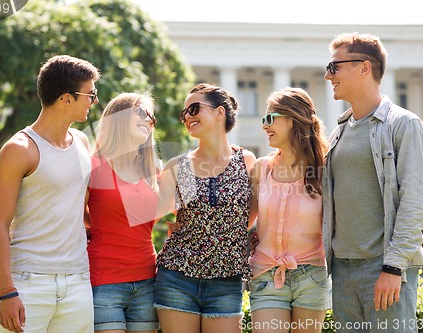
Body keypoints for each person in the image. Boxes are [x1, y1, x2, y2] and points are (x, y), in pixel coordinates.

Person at [323, 32, 423, 332]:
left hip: (384, 267)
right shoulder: (338, 134)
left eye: (334, 67)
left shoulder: (404, 124)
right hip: (342, 272)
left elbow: (416, 200)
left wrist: (393, 266)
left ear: (364, 67)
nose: (327, 75)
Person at [0, 55, 100, 333]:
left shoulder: (83, 142)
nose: (94, 101)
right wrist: (7, 292)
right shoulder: (19, 149)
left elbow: (80, 207)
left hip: (77, 281)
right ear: (66, 99)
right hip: (27, 283)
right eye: (90, 94)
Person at [154, 83, 256, 333]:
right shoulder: (177, 166)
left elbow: (251, 213)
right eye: (184, 113)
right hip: (177, 277)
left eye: (195, 108)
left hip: (226, 281)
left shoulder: (247, 161)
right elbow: (150, 214)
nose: (188, 116)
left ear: (220, 113)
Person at [248, 87, 331, 333]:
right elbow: (242, 221)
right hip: (266, 273)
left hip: (312, 275)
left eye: (270, 118)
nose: (264, 125)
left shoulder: (325, 169)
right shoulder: (262, 168)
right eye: (263, 119)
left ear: (293, 119)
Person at [86, 92, 160, 333]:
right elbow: (73, 219)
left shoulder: (154, 171)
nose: (148, 120)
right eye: (141, 112)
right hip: (105, 283)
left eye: (151, 117)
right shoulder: (93, 165)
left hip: (148, 281)